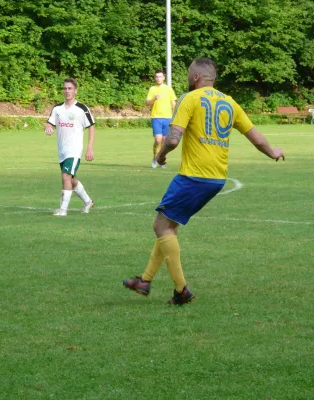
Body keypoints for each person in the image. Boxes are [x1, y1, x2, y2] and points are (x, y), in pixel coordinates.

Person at [122, 58, 285, 305]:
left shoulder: (190, 98)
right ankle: (144, 280)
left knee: (161, 226)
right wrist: (272, 151)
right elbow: (256, 137)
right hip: (217, 178)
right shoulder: (229, 102)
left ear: (196, 77)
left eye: (189, 73)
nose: (187, 77)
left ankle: (181, 290)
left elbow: (174, 138)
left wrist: (161, 154)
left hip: (193, 176)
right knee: (169, 225)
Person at [45, 78, 96, 217]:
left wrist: (89, 148)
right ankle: (87, 201)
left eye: (70, 88)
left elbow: (91, 127)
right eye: (65, 88)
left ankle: (63, 210)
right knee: (70, 179)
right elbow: (50, 123)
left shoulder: (82, 109)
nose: (67, 91)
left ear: (75, 91)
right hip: (61, 150)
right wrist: (48, 127)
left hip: (74, 149)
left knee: (65, 176)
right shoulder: (57, 108)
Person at [146, 69, 177, 168]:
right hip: (156, 117)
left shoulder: (169, 89)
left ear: (163, 78)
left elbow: (173, 103)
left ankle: (161, 161)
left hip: (167, 118)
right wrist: (154, 98)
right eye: (156, 77)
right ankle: (155, 158)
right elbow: (147, 103)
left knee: (164, 141)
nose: (158, 78)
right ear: (155, 78)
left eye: (160, 76)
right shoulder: (152, 89)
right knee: (158, 140)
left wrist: (174, 116)